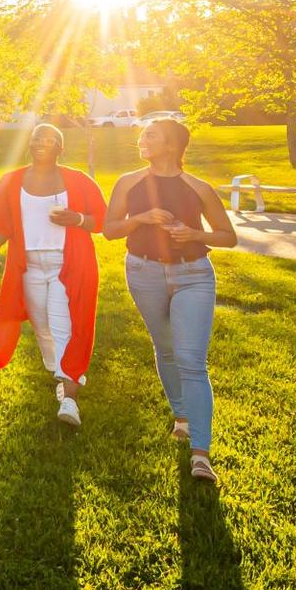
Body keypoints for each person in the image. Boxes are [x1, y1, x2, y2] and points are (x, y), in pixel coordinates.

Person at [103, 118, 238, 483]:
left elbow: (228, 236)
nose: (141, 139)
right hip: (143, 272)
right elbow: (109, 229)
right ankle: (181, 416)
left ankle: (201, 453)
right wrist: (142, 218)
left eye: (151, 135)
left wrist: (193, 233)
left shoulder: (198, 188)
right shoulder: (128, 183)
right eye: (143, 134)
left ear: (173, 145)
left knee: (192, 361)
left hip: (193, 275)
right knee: (164, 348)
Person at [0, 123, 107, 427]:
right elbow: (2, 222)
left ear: (60, 148)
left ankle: (69, 398)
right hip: (28, 265)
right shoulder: (11, 181)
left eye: (50, 139)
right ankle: (61, 372)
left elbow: (103, 221)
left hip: (68, 264)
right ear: (30, 143)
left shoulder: (78, 181)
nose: (42, 142)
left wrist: (76, 219)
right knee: (42, 327)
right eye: (37, 137)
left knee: (65, 325)